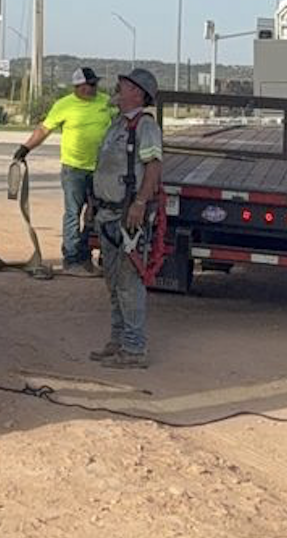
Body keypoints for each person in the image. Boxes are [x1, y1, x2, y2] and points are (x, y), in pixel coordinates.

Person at [89, 67, 164, 369]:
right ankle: (118, 340)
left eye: (124, 85)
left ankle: (134, 348)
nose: (117, 89)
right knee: (113, 282)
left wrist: (140, 203)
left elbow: (153, 166)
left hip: (127, 217)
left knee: (128, 284)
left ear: (137, 93)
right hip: (107, 213)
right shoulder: (118, 124)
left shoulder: (145, 127)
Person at [11, 66, 115, 275]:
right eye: (89, 84)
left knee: (96, 214)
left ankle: (86, 255)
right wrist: (26, 148)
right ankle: (72, 258)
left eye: (95, 84)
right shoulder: (63, 105)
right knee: (72, 213)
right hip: (74, 169)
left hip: (101, 170)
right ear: (78, 86)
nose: (93, 88)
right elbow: (44, 129)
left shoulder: (106, 103)